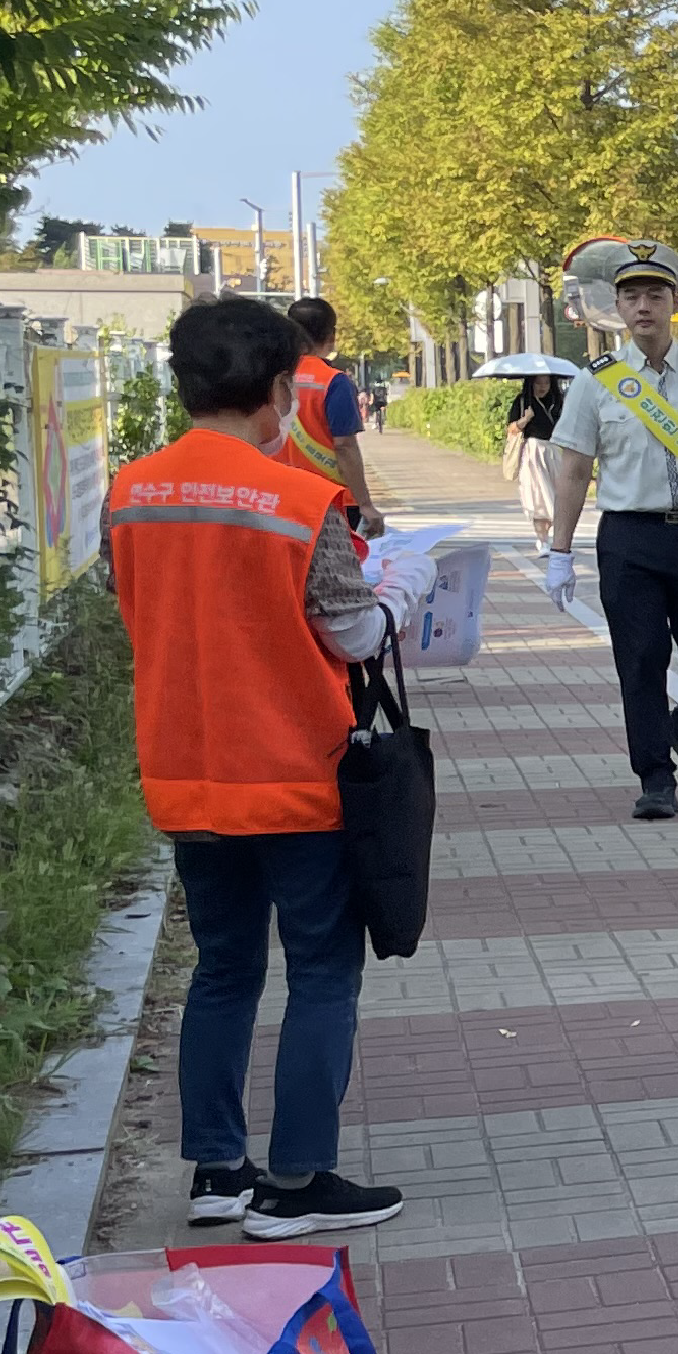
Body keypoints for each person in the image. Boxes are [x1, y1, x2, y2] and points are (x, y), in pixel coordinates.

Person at [105, 295, 429, 1240]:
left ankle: (217, 1172)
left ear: (184, 382)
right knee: (323, 969)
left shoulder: (130, 489)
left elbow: (138, 608)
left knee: (224, 967)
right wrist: (402, 588)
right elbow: (353, 628)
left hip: (184, 770)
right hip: (294, 769)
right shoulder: (297, 499)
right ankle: (298, 1182)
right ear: (284, 390)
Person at [541, 242, 678, 822]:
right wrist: (559, 551)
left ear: (676, 302)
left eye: (656, 294)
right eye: (632, 296)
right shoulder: (596, 381)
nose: (644, 306)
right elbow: (574, 467)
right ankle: (655, 776)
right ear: (619, 308)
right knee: (641, 658)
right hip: (632, 540)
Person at [281, 297, 380, 538]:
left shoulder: (274, 379)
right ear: (331, 335)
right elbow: (344, 446)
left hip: (279, 499)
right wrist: (365, 503)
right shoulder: (333, 382)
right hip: (330, 502)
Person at [499, 372, 568, 531]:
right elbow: (511, 429)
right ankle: (542, 539)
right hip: (533, 451)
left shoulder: (558, 402)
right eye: (538, 383)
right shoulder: (523, 401)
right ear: (531, 384)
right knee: (537, 495)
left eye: (546, 383)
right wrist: (525, 419)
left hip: (555, 451)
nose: (543, 387)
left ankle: (552, 533)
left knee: (556, 493)